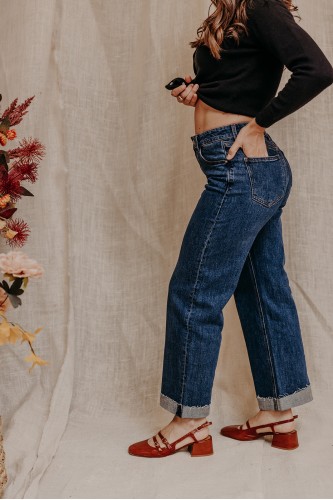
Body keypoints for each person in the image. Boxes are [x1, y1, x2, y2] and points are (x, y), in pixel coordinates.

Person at [128, 0, 333, 458]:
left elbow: (317, 70)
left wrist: (259, 123)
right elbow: (241, 84)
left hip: (241, 171)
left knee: (194, 291)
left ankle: (188, 419)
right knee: (262, 289)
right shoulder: (231, 14)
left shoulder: (260, 7)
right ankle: (280, 412)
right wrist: (199, 93)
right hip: (247, 171)